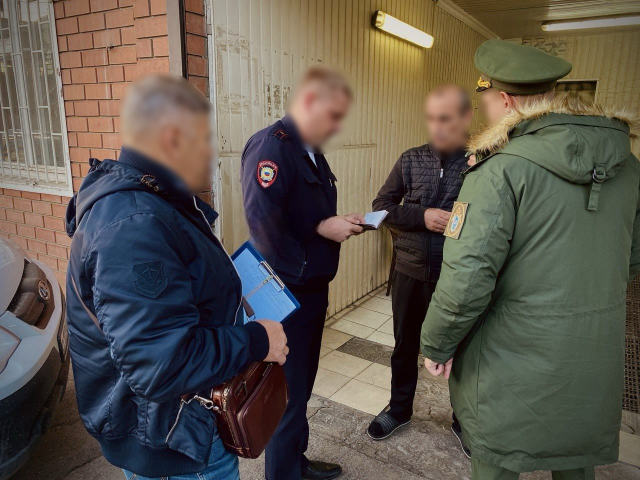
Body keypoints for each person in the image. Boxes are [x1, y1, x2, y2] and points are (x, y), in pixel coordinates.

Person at [420, 39, 640, 480]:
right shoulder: (628, 166)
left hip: (510, 361)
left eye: (484, 101)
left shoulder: (502, 169)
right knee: (575, 460)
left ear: (503, 99)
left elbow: (468, 276)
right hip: (591, 355)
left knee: (497, 458)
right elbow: (629, 261)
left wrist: (438, 343)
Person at [65, 74, 289, 480]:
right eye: (204, 139)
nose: (213, 153)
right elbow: (161, 364)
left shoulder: (159, 198)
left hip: (180, 431)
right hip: (176, 445)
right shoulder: (133, 226)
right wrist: (258, 341)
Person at [241, 66, 362, 480]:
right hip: (286, 293)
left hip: (310, 291)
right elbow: (266, 229)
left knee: (302, 386)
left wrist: (329, 223)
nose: (337, 126)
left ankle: (296, 462)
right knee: (286, 393)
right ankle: (282, 473)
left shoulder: (310, 150)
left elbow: (304, 214)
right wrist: (318, 236)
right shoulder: (271, 149)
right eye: (333, 115)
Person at [368, 85, 472, 456]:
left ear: (465, 119)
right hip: (410, 272)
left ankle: (465, 420)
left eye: (445, 119)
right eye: (432, 118)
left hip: (457, 276)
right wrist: (422, 216)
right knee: (405, 347)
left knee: (463, 350)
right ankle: (399, 409)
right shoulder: (410, 160)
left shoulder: (482, 163)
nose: (437, 127)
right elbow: (381, 207)